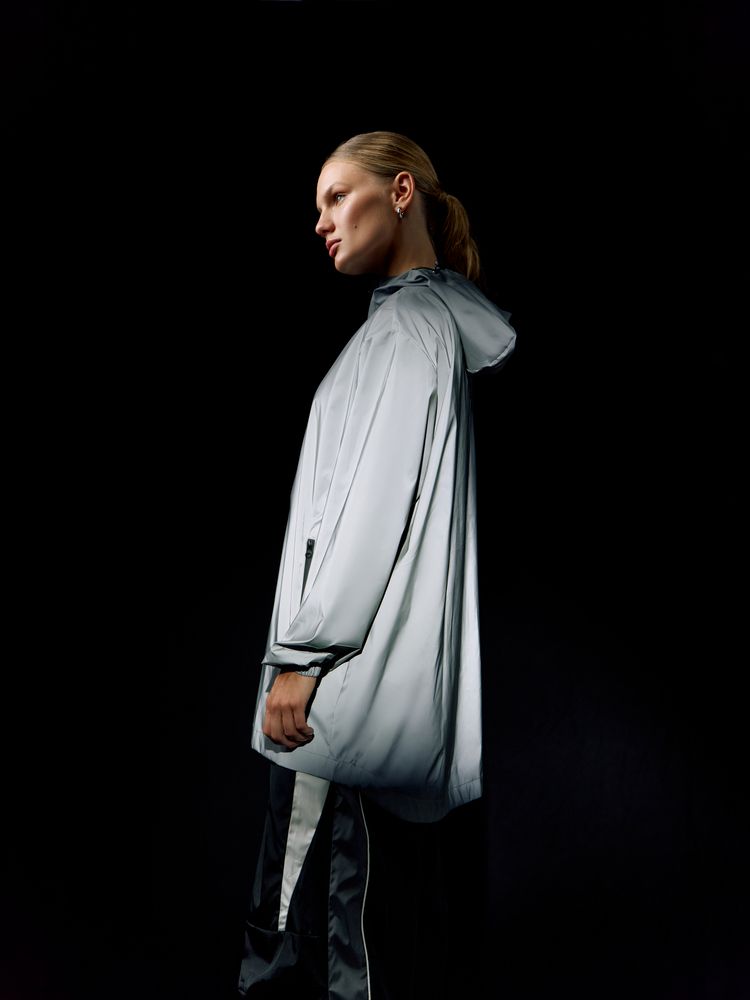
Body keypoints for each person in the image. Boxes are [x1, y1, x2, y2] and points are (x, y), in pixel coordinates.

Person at [236, 130, 517, 999]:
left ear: (400, 193)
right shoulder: (421, 327)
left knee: (313, 929)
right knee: (364, 920)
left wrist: (303, 656)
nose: (321, 221)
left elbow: (369, 518)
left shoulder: (404, 332)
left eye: (337, 196)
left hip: (339, 698)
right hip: (372, 694)